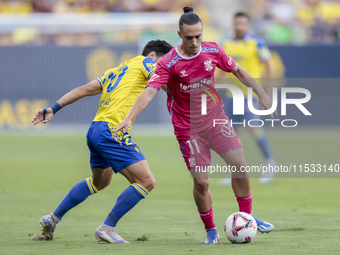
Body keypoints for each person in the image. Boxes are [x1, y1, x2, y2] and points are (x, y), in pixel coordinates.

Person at [113, 7, 275, 244]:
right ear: (179, 34)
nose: (195, 42)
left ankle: (247, 217)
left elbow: (237, 69)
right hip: (187, 127)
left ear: (203, 32)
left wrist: (262, 94)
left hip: (215, 119)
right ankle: (211, 230)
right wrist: (128, 118)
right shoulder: (168, 63)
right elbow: (149, 92)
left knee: (239, 165)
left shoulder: (213, 50)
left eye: (198, 36)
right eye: (189, 37)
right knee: (201, 182)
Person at [31, 39, 173, 243]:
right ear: (152, 55)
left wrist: (54, 107)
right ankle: (107, 227)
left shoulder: (117, 70)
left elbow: (84, 88)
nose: (164, 67)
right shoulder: (147, 63)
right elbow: (162, 83)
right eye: (164, 62)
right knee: (146, 181)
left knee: (100, 181)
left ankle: (52, 218)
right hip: (112, 131)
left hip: (96, 129)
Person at [217, 12, 277, 185]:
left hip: (250, 95)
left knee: (252, 126)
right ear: (232, 24)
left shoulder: (256, 43)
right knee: (233, 133)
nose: (239, 27)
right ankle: (235, 171)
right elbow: (221, 69)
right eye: (237, 23)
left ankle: (270, 163)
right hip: (232, 96)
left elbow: (269, 67)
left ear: (248, 25)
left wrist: (267, 93)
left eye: (243, 23)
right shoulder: (226, 43)